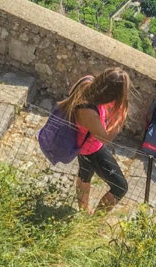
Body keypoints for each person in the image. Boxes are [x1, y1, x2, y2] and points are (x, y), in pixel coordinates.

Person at [56, 69, 131, 213]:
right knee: (120, 187)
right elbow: (104, 138)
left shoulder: (87, 83)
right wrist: (120, 120)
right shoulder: (88, 112)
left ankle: (83, 211)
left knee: (85, 176)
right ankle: (94, 222)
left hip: (81, 144)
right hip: (91, 150)